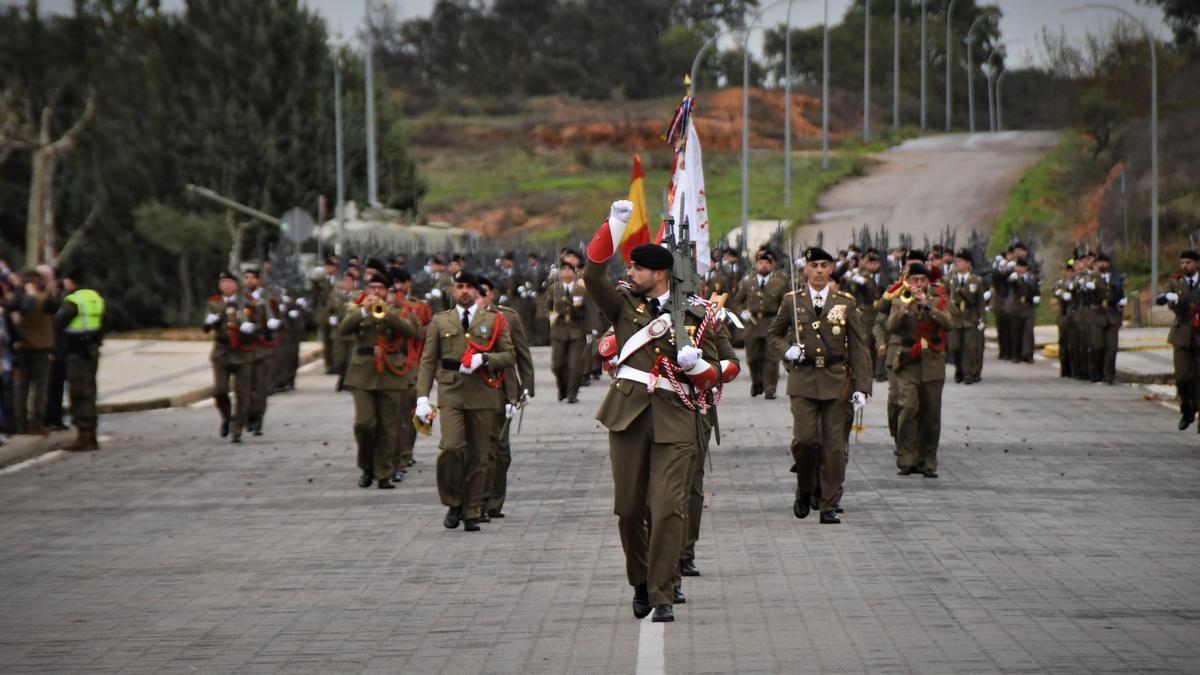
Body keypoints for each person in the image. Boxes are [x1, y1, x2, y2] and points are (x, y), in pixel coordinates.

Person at [584, 200, 722, 623]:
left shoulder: (696, 312)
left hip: (677, 417)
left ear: (659, 272)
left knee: (667, 510)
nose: (631, 274)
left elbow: (718, 370)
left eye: (638, 268)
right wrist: (613, 224)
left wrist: (697, 366)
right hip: (628, 417)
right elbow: (593, 275)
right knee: (628, 511)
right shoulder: (623, 306)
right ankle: (641, 581)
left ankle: (662, 593)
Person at [768, 247, 872, 524]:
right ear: (805, 269)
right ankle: (805, 488)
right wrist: (786, 351)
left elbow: (860, 347)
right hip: (803, 380)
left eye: (824, 265)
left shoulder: (845, 302)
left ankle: (828, 504)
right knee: (805, 441)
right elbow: (774, 334)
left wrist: (862, 386)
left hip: (837, 381)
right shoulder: (792, 301)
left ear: (831, 270)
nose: (818, 270)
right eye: (814, 265)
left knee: (834, 447)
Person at [415, 271, 516, 532]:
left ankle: (472, 510)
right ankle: (453, 501)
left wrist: (486, 359)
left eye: (470, 287)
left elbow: (509, 355)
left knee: (480, 456)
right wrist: (422, 398)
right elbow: (427, 362)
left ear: (477, 291)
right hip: (451, 394)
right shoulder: (440, 322)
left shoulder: (494, 320)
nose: (464, 291)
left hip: (484, 394)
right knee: (451, 447)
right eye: (459, 286)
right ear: (452, 290)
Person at [339, 272, 418, 489]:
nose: (375, 292)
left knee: (388, 426)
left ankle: (384, 472)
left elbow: (412, 331)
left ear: (387, 291)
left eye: (380, 289)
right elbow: (343, 329)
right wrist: (364, 311)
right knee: (365, 423)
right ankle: (366, 466)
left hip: (390, 373)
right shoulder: (355, 308)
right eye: (372, 288)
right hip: (362, 373)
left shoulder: (399, 310)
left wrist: (388, 313)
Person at [886, 263, 952, 477]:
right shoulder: (899, 298)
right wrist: (906, 308)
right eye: (915, 280)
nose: (919, 284)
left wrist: (929, 307)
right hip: (907, 362)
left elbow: (949, 324)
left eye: (923, 280)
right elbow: (891, 327)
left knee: (931, 414)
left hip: (932, 363)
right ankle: (907, 457)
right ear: (908, 281)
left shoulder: (939, 300)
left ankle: (928, 460)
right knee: (908, 408)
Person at [477, 276, 534, 520]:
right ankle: (477, 502)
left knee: (500, 451)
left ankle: (493, 502)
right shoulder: (458, 319)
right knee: (479, 450)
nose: (478, 298)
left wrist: (526, 388)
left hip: (504, 390)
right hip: (474, 390)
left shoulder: (508, 317)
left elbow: (522, 354)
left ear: (491, 295)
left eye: (483, 293)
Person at [202, 272, 263, 443]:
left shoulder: (249, 301)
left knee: (243, 394)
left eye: (229, 281)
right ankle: (227, 418)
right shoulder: (214, 302)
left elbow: (260, 324)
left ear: (237, 285)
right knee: (220, 391)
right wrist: (209, 321)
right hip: (222, 351)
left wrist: (251, 328)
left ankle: (237, 429)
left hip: (243, 352)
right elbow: (204, 327)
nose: (226, 285)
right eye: (223, 282)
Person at [54, 269, 104, 452]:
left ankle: (83, 435)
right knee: (90, 390)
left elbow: (58, 323)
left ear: (71, 282)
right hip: (92, 349)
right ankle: (91, 433)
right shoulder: (95, 297)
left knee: (78, 391)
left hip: (76, 352)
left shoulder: (73, 301)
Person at [390, 268, 433, 478]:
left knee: (410, 413)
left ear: (407, 284)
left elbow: (425, 333)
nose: (396, 288)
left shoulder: (418, 306)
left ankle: (406, 453)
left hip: (413, 363)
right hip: (390, 367)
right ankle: (396, 457)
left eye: (399, 283)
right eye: (393, 284)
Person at [732, 250, 789, 399]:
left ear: (771, 266)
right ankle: (757, 382)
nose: (763, 266)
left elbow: (786, 303)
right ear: (756, 265)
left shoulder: (779, 283)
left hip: (772, 323)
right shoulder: (747, 282)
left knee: (771, 358)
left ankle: (770, 388)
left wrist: (782, 320)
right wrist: (742, 312)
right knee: (752, 358)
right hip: (752, 324)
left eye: (766, 263)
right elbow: (737, 301)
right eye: (760, 263)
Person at [9, 269, 58, 435]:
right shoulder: (43, 299)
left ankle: (20, 423)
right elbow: (55, 309)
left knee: (22, 387)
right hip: (41, 348)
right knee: (40, 386)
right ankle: (36, 423)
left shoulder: (19, 300)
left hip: (23, 347)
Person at [1157, 250, 1200, 431]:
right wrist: (1170, 298)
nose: (1184, 266)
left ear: (1197, 264)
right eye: (1182, 263)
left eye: (1188, 263)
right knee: (1182, 377)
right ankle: (1187, 408)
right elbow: (1163, 297)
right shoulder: (1174, 281)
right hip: (1181, 334)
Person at [242, 269, 280, 434]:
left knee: (261, 386)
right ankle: (249, 415)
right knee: (246, 386)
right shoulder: (240, 298)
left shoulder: (268, 299)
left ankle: (258, 420)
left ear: (258, 280)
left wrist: (273, 324)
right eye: (246, 278)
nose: (249, 281)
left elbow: (277, 319)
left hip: (263, 347)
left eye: (252, 278)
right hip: (244, 348)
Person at [545, 262, 587, 403]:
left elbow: (589, 310)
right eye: (564, 269)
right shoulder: (554, 289)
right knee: (557, 365)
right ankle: (562, 387)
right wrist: (551, 316)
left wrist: (592, 329)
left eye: (570, 269)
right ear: (560, 272)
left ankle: (572, 394)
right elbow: (548, 306)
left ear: (574, 272)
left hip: (577, 329)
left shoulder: (581, 289)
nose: (567, 271)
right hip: (559, 329)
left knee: (574, 364)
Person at [946, 249, 986, 384]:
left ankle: (968, 374)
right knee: (955, 347)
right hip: (955, 317)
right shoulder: (951, 279)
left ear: (969, 264)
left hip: (970, 317)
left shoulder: (976, 280)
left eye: (961, 261)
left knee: (969, 347)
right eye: (957, 261)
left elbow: (980, 302)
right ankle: (959, 369)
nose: (958, 263)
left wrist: (982, 319)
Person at [1088, 253, 1125, 385]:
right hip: (1097, 314)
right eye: (1099, 262)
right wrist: (1088, 288)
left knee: (1112, 347)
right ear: (1096, 264)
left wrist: (1122, 302)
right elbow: (1083, 291)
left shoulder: (1115, 278)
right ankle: (1096, 372)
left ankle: (1109, 375)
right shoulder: (1091, 277)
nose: (1102, 264)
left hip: (1112, 315)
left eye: (1105, 262)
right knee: (1098, 345)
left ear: (1109, 264)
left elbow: (1120, 293)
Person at [312, 256, 339, 374]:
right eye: (327, 267)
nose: (328, 269)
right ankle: (329, 364)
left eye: (331, 267)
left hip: (337, 313)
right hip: (324, 314)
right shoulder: (320, 281)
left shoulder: (339, 280)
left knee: (337, 340)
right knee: (326, 341)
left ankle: (338, 364)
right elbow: (315, 293)